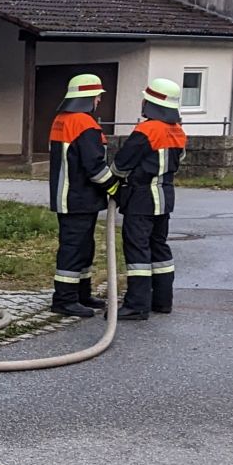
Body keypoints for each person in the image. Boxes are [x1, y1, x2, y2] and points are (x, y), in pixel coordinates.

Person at [112, 77, 187, 320]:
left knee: (137, 252)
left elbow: (121, 165)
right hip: (165, 196)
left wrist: (114, 180)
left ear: (150, 102)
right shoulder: (178, 130)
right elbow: (179, 160)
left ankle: (136, 305)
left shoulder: (147, 130)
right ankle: (162, 301)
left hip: (141, 198)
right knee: (160, 248)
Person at [46, 74, 116, 318]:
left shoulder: (62, 119)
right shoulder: (84, 124)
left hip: (69, 196)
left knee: (83, 247)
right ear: (89, 98)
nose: (99, 100)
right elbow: (94, 166)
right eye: (97, 96)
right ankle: (65, 299)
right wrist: (115, 188)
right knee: (75, 249)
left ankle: (81, 293)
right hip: (79, 197)